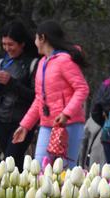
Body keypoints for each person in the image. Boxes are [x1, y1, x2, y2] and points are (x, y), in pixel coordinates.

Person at [12, 21, 89, 168]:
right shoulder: (42, 63)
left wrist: (66, 114)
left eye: (35, 38)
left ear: (42, 38)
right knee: (39, 168)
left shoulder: (65, 61)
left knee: (66, 172)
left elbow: (82, 88)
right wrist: (25, 126)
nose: (34, 43)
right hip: (47, 124)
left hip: (69, 125)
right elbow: (39, 99)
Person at [0, 21, 39, 160]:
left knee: (11, 159)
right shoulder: (0, 63)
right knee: (13, 164)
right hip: (0, 120)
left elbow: (36, 97)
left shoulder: (33, 64)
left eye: (11, 44)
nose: (7, 48)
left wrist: (11, 82)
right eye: (4, 44)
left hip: (22, 121)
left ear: (22, 43)